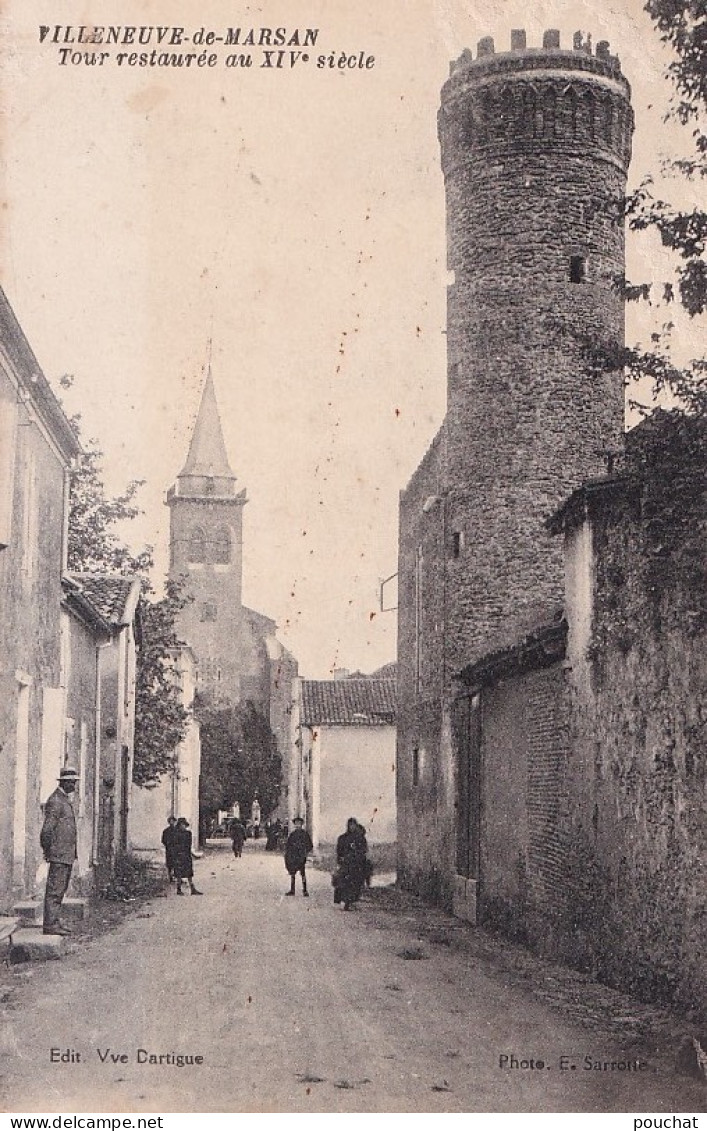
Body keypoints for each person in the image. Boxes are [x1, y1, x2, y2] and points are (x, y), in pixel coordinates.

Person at [40, 766, 79, 936]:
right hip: (59, 854)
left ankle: (55, 921)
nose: (74, 786)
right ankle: (50, 925)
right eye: (72, 782)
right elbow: (47, 830)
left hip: (65, 854)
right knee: (55, 891)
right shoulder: (56, 800)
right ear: (65, 782)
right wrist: (49, 850)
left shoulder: (63, 800)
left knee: (60, 889)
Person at [335, 817, 368, 910]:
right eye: (350, 825)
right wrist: (340, 859)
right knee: (345, 883)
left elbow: (364, 850)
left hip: (357, 864)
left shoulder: (360, 838)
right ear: (348, 826)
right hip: (346, 864)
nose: (352, 827)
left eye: (353, 825)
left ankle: (351, 901)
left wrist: (358, 853)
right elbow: (339, 850)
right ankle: (347, 902)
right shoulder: (343, 838)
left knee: (356, 884)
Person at [172, 818, 202, 895]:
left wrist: (191, 854)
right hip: (178, 855)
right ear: (179, 825)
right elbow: (174, 845)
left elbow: (188, 845)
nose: (183, 826)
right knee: (179, 874)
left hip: (186, 854)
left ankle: (192, 889)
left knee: (189, 873)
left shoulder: (188, 833)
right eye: (182, 825)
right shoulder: (175, 834)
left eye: (184, 825)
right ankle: (178, 889)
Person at [284, 816, 313, 897]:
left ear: (301, 824)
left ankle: (305, 890)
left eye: (299, 823)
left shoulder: (305, 834)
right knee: (292, 873)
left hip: (301, 856)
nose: (297, 825)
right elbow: (288, 845)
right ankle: (292, 890)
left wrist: (305, 852)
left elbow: (309, 845)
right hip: (293, 856)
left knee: (302, 873)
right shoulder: (292, 834)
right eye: (296, 823)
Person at [161, 815, 177, 881]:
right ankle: (170, 876)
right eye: (170, 821)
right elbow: (163, 840)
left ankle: (176, 876)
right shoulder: (166, 831)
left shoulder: (177, 830)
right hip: (169, 849)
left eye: (173, 821)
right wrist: (167, 845)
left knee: (176, 862)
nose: (172, 822)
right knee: (169, 863)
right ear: (169, 822)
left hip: (176, 849)